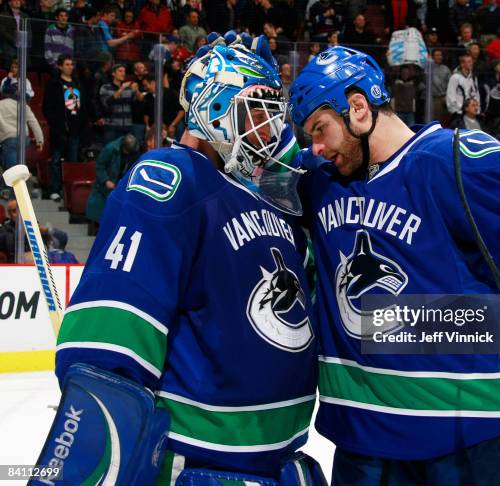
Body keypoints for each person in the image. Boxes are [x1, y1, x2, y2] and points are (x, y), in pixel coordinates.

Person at [289, 45, 500, 485]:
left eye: (320, 129)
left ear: (357, 107)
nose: (316, 147)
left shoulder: (453, 160)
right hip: (363, 445)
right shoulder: (319, 182)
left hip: (470, 434)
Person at [40, 42, 323, 485]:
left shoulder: (268, 200)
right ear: (214, 107)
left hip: (284, 466)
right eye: (257, 110)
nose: (270, 130)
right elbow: (108, 350)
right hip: (204, 468)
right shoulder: (172, 178)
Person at [43, 54, 86, 203]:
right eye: (67, 64)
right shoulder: (54, 84)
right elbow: (46, 107)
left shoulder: (77, 84)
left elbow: (82, 107)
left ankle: (69, 193)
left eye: (71, 64)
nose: (70, 67)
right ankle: (55, 189)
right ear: (60, 66)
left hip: (75, 130)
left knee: (72, 162)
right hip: (59, 130)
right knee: (56, 160)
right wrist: (56, 124)